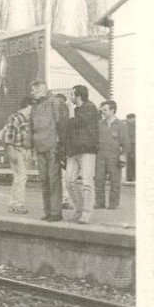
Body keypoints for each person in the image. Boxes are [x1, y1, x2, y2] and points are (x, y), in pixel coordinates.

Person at [28, 80, 68, 221]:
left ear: (42, 90)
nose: (31, 93)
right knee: (44, 180)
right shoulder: (35, 107)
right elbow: (31, 128)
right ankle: (48, 211)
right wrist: (31, 148)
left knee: (54, 180)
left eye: (33, 91)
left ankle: (56, 213)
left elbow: (62, 125)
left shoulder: (56, 102)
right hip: (40, 147)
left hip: (52, 147)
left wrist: (62, 146)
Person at [61, 86, 99, 224]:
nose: (69, 97)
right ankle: (79, 209)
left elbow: (76, 123)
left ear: (78, 95)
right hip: (74, 150)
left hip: (87, 149)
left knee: (87, 182)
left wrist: (70, 111)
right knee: (69, 181)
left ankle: (86, 213)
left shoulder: (90, 108)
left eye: (71, 94)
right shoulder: (77, 110)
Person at [0, 98, 34, 214]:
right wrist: (12, 153)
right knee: (21, 178)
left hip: (22, 150)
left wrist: (28, 152)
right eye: (32, 108)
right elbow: (9, 138)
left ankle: (13, 204)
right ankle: (18, 204)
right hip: (16, 150)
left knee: (19, 178)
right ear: (27, 106)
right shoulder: (15, 118)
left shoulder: (26, 119)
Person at [94, 99, 125, 210]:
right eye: (102, 110)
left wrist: (122, 157)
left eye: (105, 110)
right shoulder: (99, 124)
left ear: (112, 111)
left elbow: (125, 143)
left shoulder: (121, 125)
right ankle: (100, 202)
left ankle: (113, 204)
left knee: (115, 181)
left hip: (114, 157)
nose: (103, 112)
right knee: (98, 180)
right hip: (100, 156)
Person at [123, 112, 135, 183]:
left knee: (130, 161)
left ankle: (130, 177)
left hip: (131, 145)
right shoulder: (131, 124)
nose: (127, 120)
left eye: (128, 119)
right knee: (131, 161)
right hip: (133, 145)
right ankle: (131, 176)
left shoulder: (129, 125)